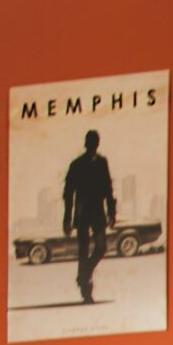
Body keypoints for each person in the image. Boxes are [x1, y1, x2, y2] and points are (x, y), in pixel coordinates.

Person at [62, 129, 115, 305]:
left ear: (97, 144)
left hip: (97, 211)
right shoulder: (76, 164)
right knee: (83, 250)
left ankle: (83, 275)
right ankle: (86, 292)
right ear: (87, 143)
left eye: (95, 142)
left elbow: (108, 188)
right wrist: (67, 218)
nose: (93, 145)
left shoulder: (102, 162)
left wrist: (112, 212)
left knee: (101, 248)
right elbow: (68, 193)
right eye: (91, 142)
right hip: (82, 212)